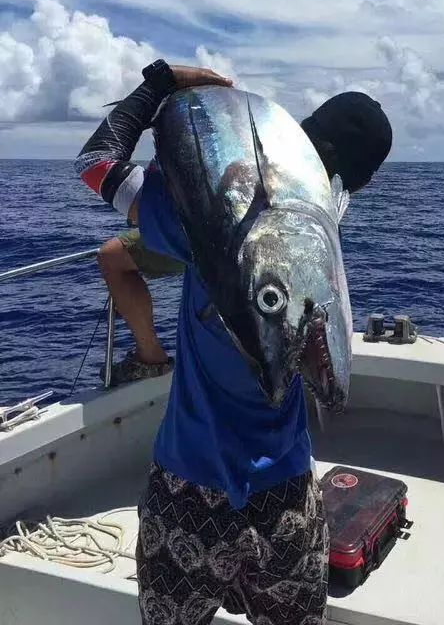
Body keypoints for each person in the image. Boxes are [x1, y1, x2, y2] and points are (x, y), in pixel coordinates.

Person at [76, 60, 392, 625]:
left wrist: (160, 84)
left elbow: (95, 165)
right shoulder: (323, 235)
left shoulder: (190, 221)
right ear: (355, 184)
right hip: (287, 498)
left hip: (186, 494)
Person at [97, 88, 394, 387]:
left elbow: (97, 163)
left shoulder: (220, 204)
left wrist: (158, 84)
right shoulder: (326, 227)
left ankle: (151, 356)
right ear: (362, 184)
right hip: (285, 428)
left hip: (202, 428)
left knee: (114, 257)